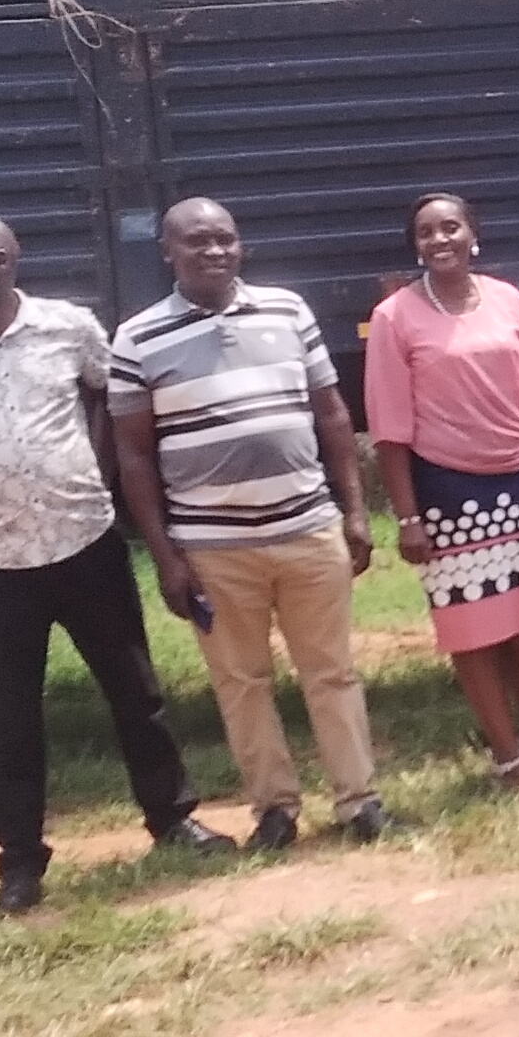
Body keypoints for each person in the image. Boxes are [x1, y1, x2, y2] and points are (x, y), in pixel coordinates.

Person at [0, 215, 229, 913]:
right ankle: (19, 864)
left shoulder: (69, 327)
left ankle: (172, 819)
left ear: (2, 261)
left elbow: (116, 398)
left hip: (85, 542)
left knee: (136, 693)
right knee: (9, 720)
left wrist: (99, 471)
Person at [110, 197, 388, 853]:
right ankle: (274, 810)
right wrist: (166, 557)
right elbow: (133, 455)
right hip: (212, 549)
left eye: (224, 239)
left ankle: (359, 802)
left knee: (333, 672)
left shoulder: (288, 311)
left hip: (308, 529)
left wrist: (352, 511)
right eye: (197, 241)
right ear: (167, 253)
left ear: (241, 246)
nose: (213, 251)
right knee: (242, 683)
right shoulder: (138, 337)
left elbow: (333, 416)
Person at [365, 193, 519, 793]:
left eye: (450, 228)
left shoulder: (507, 299)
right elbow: (390, 427)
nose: (439, 240)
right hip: (449, 493)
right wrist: (408, 516)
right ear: (414, 244)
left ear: (474, 235)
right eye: (425, 232)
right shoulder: (395, 317)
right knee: (473, 631)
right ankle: (508, 758)